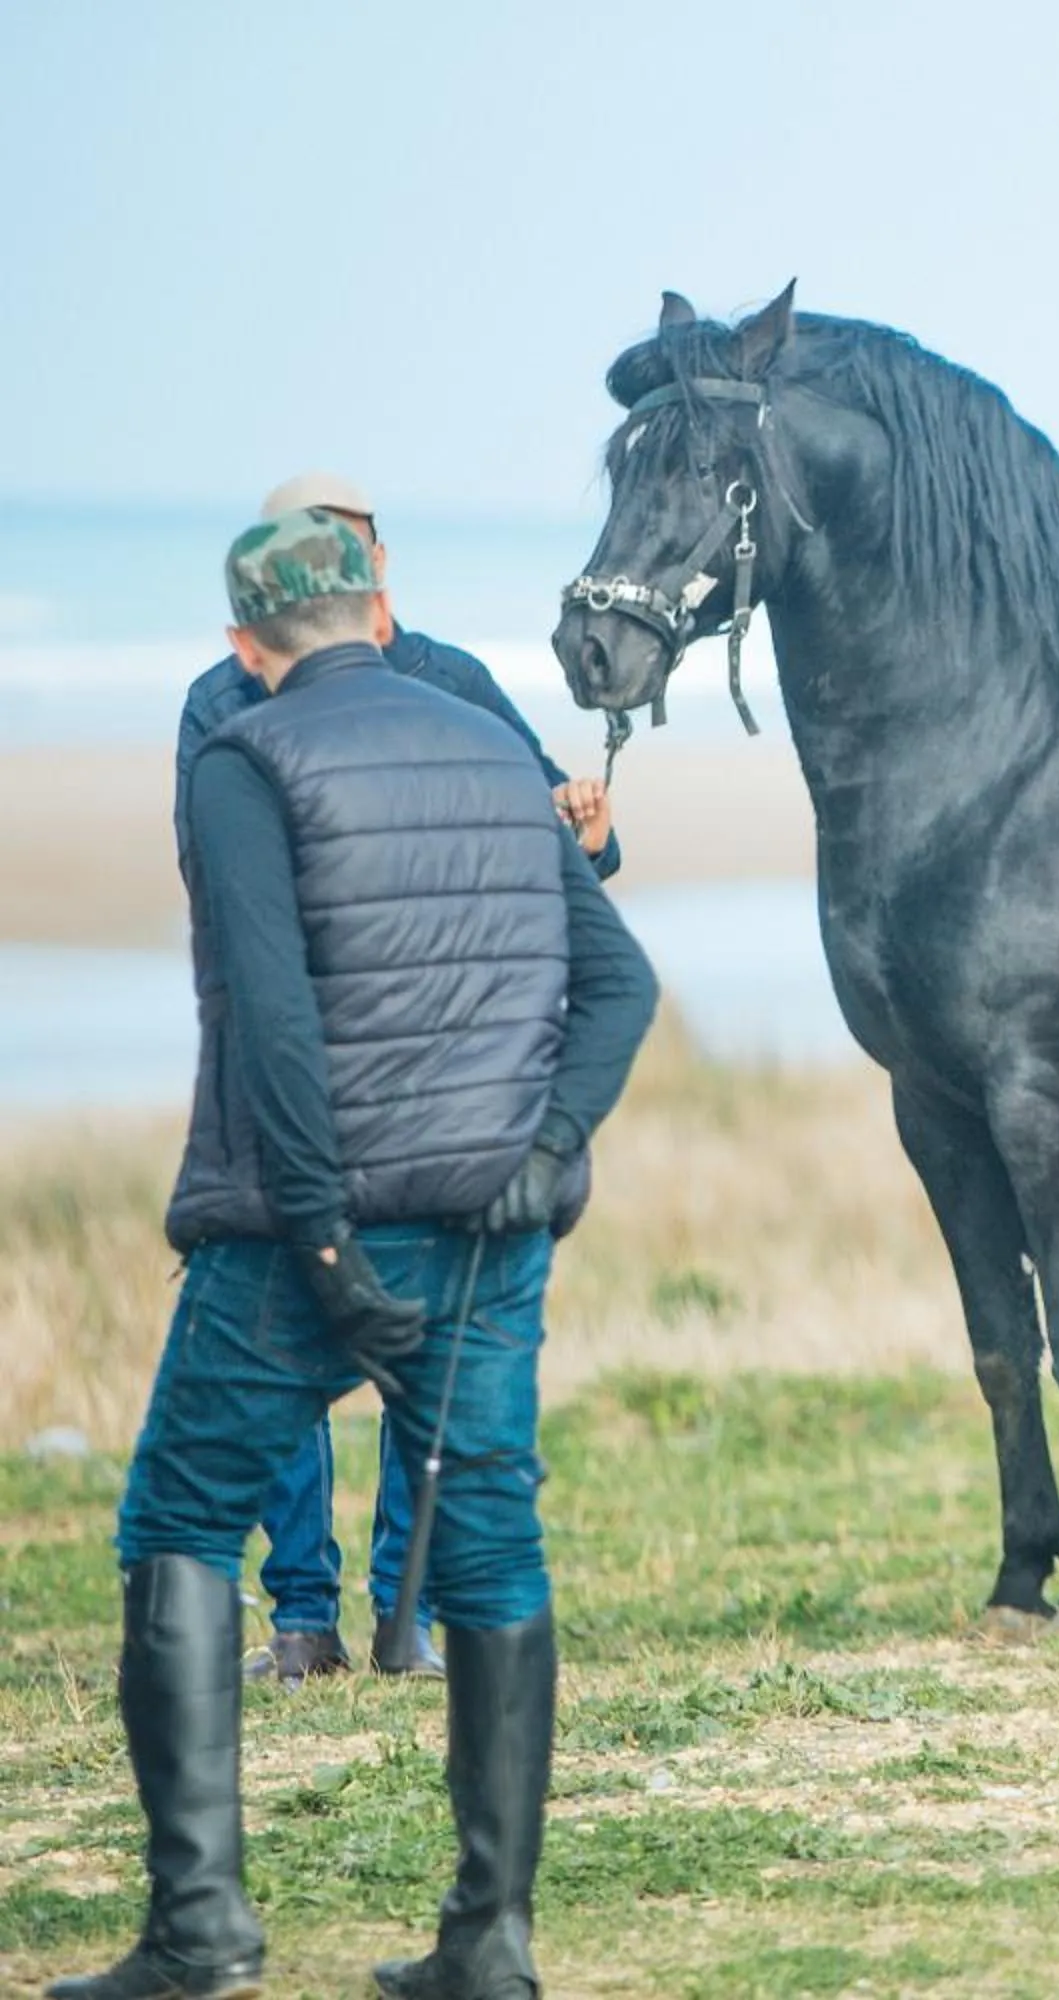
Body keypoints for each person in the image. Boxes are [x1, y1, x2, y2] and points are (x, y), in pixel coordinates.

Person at [53, 511, 656, 2000]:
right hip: (488, 1232)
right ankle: (490, 1942)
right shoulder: (486, 751)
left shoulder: (243, 757)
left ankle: (202, 1934)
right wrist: (545, 1150)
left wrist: (320, 1235)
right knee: (498, 1545)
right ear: (379, 616)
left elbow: (271, 1019)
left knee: (180, 1525)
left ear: (245, 644)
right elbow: (619, 982)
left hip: (293, 1236)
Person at [175, 471, 623, 1687]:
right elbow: (222, 908)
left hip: (439, 1079)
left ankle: (401, 1613)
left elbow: (562, 861)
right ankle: (301, 1613)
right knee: (289, 1359)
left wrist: (589, 828)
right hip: (297, 1064)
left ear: (377, 574)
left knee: (426, 1361)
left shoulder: (457, 685)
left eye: (347, 549)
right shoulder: (219, 707)